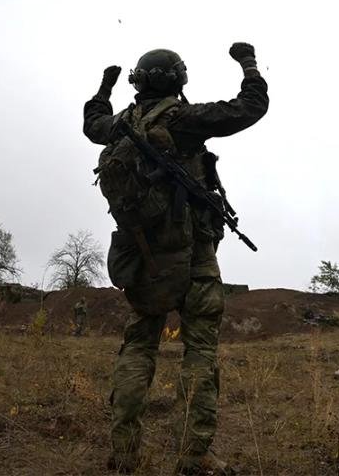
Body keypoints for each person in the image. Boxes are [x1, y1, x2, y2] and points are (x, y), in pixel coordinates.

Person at [84, 43, 268, 474]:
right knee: (199, 352)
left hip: (143, 259)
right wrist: (248, 63)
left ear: (138, 81)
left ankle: (124, 452)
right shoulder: (183, 120)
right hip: (195, 258)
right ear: (179, 80)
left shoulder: (121, 126)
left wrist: (105, 88)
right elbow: (250, 108)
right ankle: (194, 456)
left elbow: (92, 123)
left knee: (138, 347)